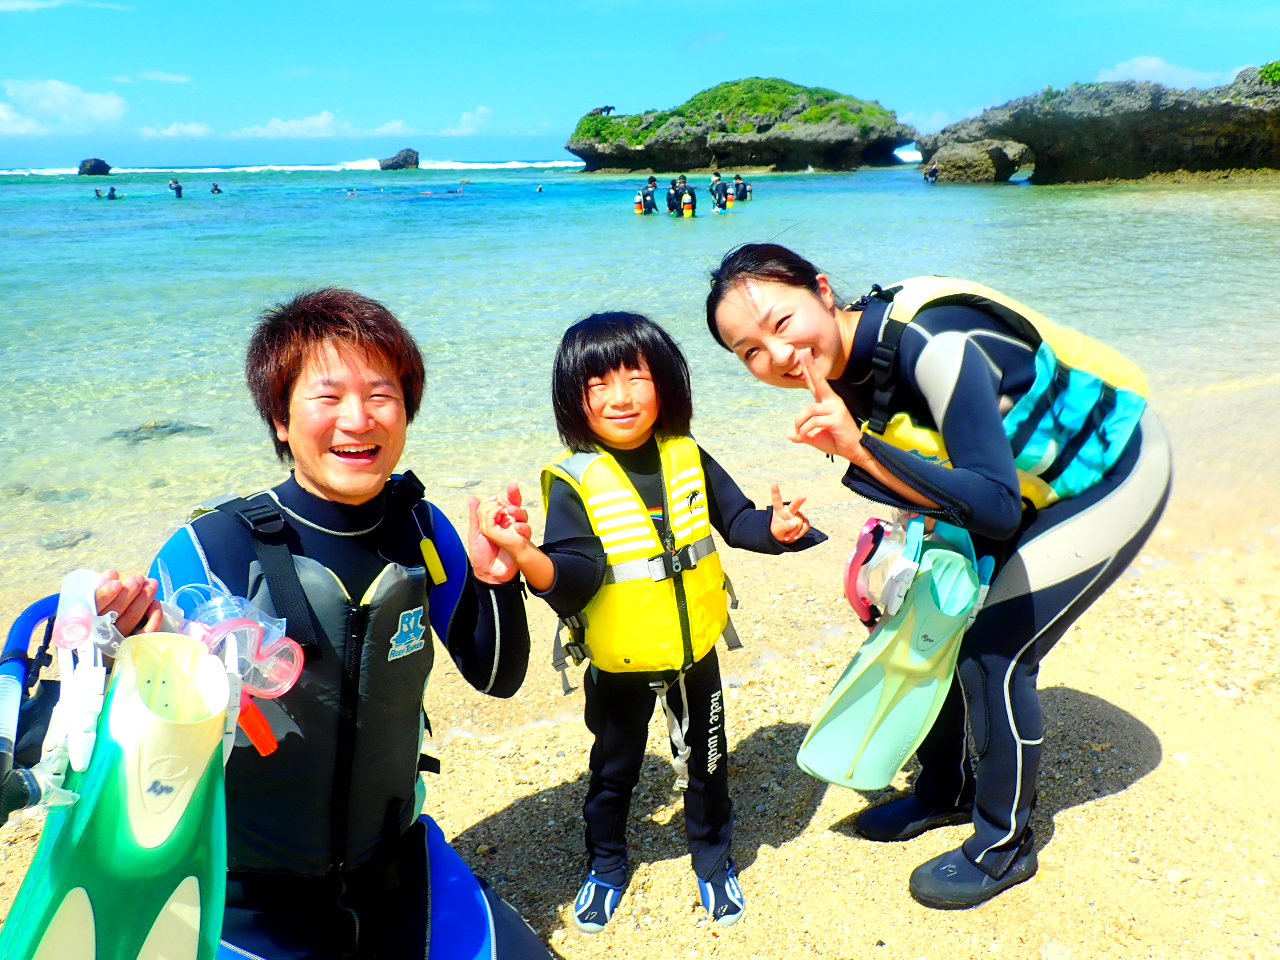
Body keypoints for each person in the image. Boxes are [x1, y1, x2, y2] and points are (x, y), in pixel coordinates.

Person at [705, 243, 1171, 909]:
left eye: (781, 323)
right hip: (1026, 483)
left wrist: (860, 448)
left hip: (1109, 467)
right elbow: (944, 479)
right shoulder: (841, 369)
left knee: (992, 652)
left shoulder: (935, 344)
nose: (777, 355)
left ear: (823, 291)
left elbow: (997, 509)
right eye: (749, 351)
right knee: (924, 615)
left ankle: (1003, 844)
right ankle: (943, 789)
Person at [102, 288, 551, 958]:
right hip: (248, 900)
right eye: (328, 396)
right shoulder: (213, 548)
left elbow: (498, 676)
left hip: (396, 872)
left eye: (381, 395)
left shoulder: (421, 528)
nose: (358, 420)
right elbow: (140, 755)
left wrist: (495, 581)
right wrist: (126, 648)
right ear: (280, 419)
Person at [471, 312, 825, 935]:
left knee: (708, 764)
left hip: (693, 655)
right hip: (619, 664)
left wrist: (777, 529)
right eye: (598, 384)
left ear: (665, 383)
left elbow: (737, 520)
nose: (621, 397)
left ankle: (713, 860)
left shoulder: (686, 454)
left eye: (636, 377)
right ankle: (607, 865)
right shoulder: (575, 480)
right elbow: (575, 575)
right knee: (614, 771)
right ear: (573, 399)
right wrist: (525, 555)